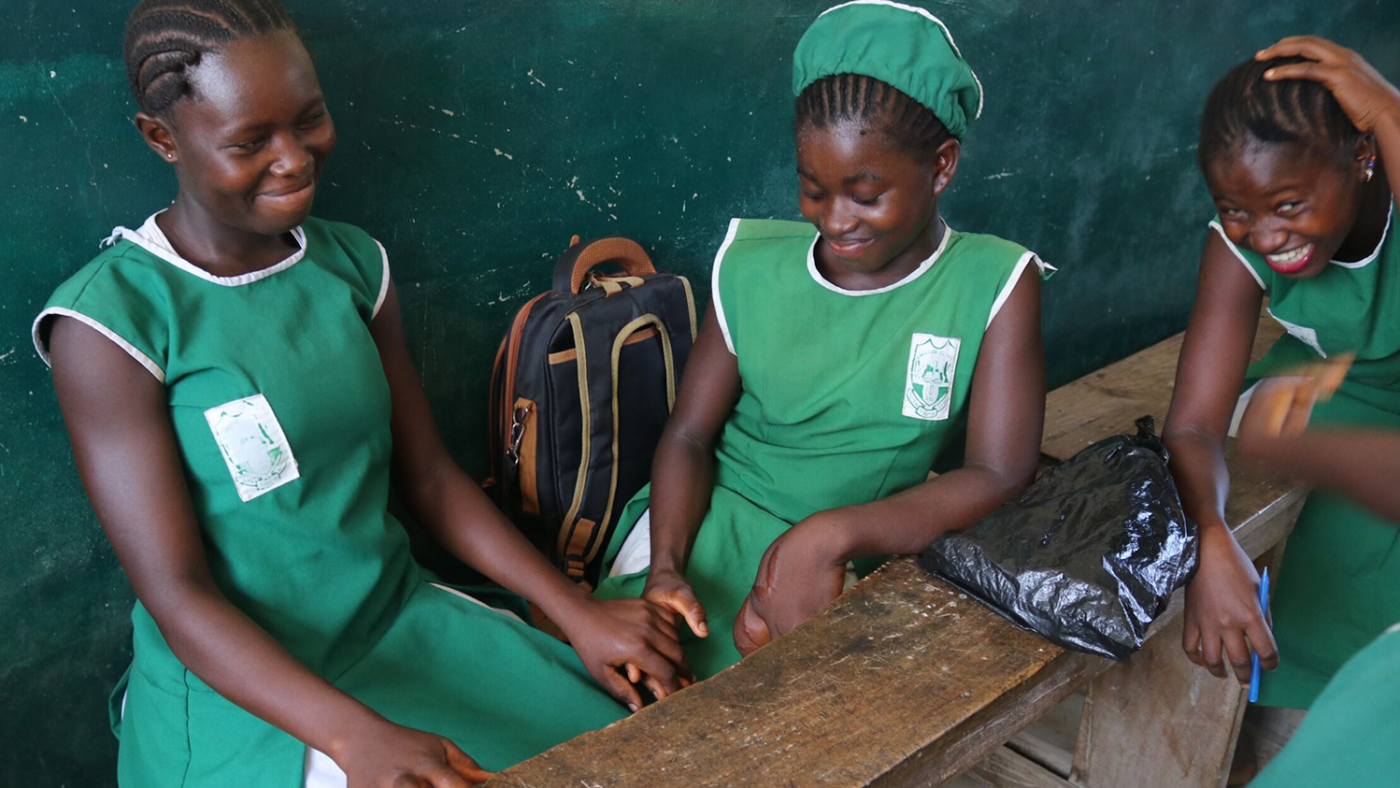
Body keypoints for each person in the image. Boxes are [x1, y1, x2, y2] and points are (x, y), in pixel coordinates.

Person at [33, 2, 687, 785]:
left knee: (639, 752)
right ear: (161, 139)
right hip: (243, 692)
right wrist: (352, 738)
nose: (294, 158)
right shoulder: (113, 323)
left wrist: (578, 614)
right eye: (250, 142)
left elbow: (431, 479)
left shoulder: (349, 268)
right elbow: (178, 595)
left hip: (394, 621)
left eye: (308, 119)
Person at [595, 0, 1050, 679]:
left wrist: (835, 533)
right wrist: (665, 567)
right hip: (697, 530)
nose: (837, 221)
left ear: (942, 166)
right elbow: (689, 435)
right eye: (814, 191)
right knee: (623, 713)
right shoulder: (750, 266)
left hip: (860, 550)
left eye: (866, 195)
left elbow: (999, 472)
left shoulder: (993, 282)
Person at [1163, 35, 1400, 709]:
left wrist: (1386, 107)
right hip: (1341, 389)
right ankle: (1298, 717)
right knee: (1288, 436)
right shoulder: (1239, 245)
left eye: (1290, 205)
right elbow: (1193, 424)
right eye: (1238, 210)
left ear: (1363, 157)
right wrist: (1212, 539)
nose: (1265, 236)